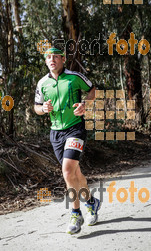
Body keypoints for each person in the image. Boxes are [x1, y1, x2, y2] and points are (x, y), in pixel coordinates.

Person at [34, 47, 101, 234]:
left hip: (75, 129)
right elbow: (36, 107)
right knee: (75, 174)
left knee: (67, 171)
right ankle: (91, 202)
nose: (52, 59)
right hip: (55, 134)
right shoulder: (42, 83)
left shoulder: (74, 76)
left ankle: (75, 213)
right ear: (46, 61)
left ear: (63, 59)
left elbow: (92, 89)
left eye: (55, 56)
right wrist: (43, 110)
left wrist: (84, 104)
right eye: (48, 57)